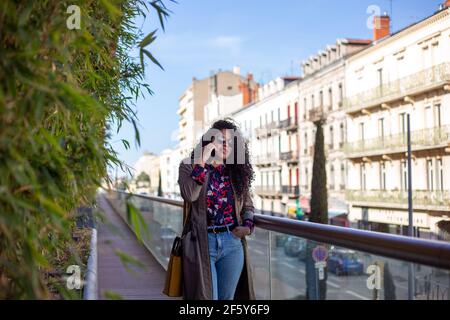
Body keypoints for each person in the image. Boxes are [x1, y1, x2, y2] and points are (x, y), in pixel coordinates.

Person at [178, 119, 256, 300]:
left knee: (227, 299)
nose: (226, 145)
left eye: (231, 141)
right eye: (221, 140)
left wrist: (248, 225)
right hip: (203, 243)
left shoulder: (236, 170)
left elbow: (248, 205)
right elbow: (189, 195)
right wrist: (203, 161)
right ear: (210, 141)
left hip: (232, 242)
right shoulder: (188, 165)